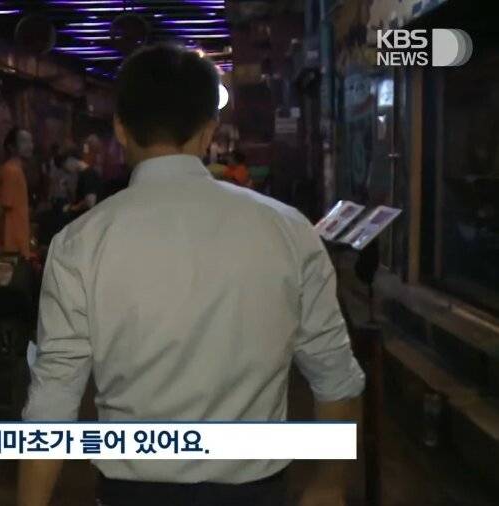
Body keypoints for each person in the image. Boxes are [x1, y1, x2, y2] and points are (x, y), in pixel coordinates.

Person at [18, 44, 365, 506]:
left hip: (131, 495)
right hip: (255, 495)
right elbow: (335, 375)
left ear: (120, 128)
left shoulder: (79, 243)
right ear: (208, 131)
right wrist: (330, 484)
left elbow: (53, 399)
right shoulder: (288, 229)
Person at [0, 127, 33, 257]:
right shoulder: (11, 171)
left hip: (16, 244)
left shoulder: (16, 170)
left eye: (30, 141)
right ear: (11, 147)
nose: (30, 146)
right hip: (11, 246)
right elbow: (2, 209)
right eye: (24, 141)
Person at [64, 146, 102, 216]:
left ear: (72, 161)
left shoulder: (88, 175)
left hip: (90, 216)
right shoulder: (86, 174)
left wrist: (74, 208)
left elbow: (90, 201)